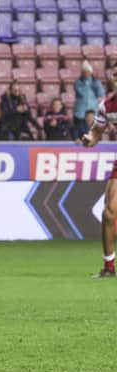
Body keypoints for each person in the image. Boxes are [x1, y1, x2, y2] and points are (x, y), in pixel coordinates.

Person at [79, 63, 117, 278]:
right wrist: (89, 139)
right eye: (115, 75)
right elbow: (96, 133)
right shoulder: (107, 106)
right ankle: (109, 267)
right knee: (109, 213)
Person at [74, 61, 105, 138]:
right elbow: (81, 92)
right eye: (84, 72)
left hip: (92, 110)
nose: (86, 73)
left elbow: (101, 94)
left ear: (91, 72)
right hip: (80, 111)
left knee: (93, 130)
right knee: (80, 131)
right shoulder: (78, 82)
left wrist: (96, 85)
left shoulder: (96, 82)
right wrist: (87, 83)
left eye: (88, 72)